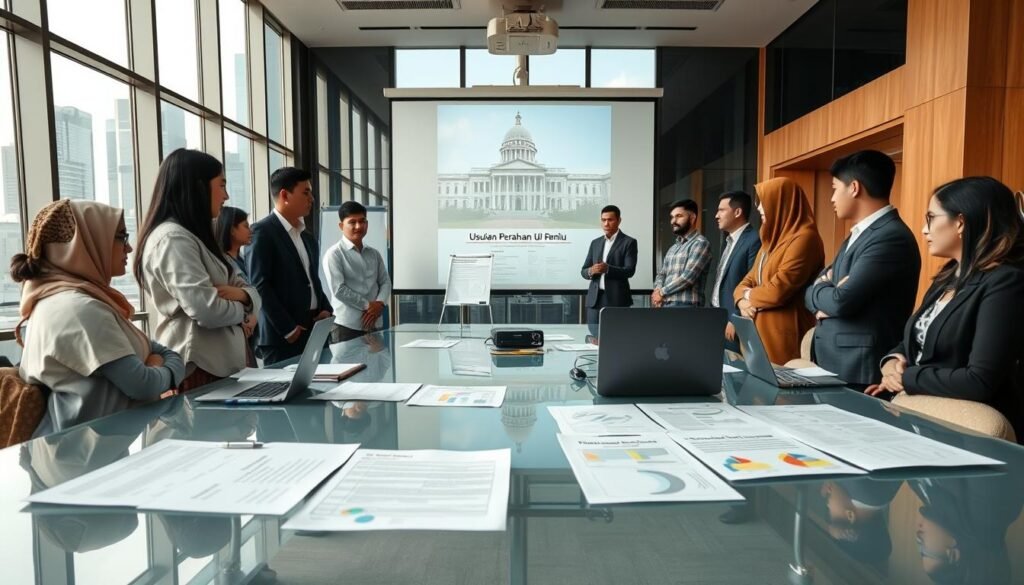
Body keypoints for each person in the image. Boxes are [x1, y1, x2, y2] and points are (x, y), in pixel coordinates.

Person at [869, 177, 1024, 438]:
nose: (923, 230)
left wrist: (907, 379)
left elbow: (979, 381)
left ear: (960, 222)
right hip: (926, 422)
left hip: (973, 437)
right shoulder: (948, 275)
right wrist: (893, 362)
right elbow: (918, 339)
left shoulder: (1006, 282)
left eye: (930, 218)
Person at [13, 199, 185, 435]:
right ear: (83, 244)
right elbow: (144, 385)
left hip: (85, 448)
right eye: (121, 237)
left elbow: (164, 354)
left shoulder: (66, 299)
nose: (130, 248)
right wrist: (164, 369)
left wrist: (158, 366)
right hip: (84, 456)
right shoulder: (79, 309)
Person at [135, 149, 261, 391]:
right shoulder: (173, 239)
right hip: (199, 369)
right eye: (221, 186)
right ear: (198, 187)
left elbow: (247, 287)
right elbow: (206, 310)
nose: (226, 196)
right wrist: (244, 307)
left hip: (220, 366)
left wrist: (244, 295)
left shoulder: (198, 237)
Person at [805, 151, 921, 389]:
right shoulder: (858, 234)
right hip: (838, 363)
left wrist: (826, 292)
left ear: (854, 188)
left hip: (859, 368)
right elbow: (813, 290)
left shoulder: (889, 237)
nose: (832, 198)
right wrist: (824, 291)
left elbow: (840, 301)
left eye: (835, 188)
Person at [245, 167, 332, 363]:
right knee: (284, 393)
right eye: (306, 192)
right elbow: (259, 285)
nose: (312, 198)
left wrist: (325, 309)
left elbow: (312, 280)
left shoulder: (307, 237)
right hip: (283, 337)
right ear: (285, 195)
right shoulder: (262, 232)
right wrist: (288, 328)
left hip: (314, 331)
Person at [735, 177, 824, 364]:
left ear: (782, 203)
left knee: (783, 393)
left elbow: (777, 291)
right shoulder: (770, 241)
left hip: (784, 339)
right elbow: (745, 281)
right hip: (759, 336)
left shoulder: (805, 239)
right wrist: (742, 301)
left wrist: (748, 295)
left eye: (764, 202)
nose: (759, 208)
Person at [321, 201, 391, 343]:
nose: (358, 226)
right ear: (341, 226)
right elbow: (339, 289)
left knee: (376, 364)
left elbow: (385, 282)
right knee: (347, 366)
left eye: (362, 221)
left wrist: (379, 303)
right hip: (346, 327)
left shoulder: (374, 254)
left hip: (374, 324)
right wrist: (368, 306)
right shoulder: (334, 254)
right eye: (352, 222)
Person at [710, 191, 761, 351]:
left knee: (735, 368)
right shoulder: (729, 241)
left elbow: (752, 282)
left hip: (733, 320)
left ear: (738, 212)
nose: (716, 215)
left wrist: (735, 318)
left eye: (721, 210)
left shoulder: (754, 240)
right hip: (718, 317)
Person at [581, 204, 638, 325]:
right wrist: (591, 270)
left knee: (618, 338)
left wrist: (608, 269)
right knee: (594, 337)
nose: (606, 223)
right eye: (603, 220)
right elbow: (583, 270)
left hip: (617, 299)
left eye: (610, 220)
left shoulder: (629, 242)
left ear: (619, 220)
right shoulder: (595, 243)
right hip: (594, 300)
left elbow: (630, 270)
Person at [652, 199, 712, 308]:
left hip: (687, 306)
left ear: (692, 218)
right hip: (666, 304)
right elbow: (661, 274)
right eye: (672, 217)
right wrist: (657, 290)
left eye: (679, 216)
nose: (673, 221)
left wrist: (661, 292)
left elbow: (688, 277)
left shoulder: (700, 243)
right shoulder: (673, 248)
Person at [215, 206, 251, 278]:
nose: (250, 231)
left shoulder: (240, 258)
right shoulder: (223, 263)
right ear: (232, 230)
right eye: (246, 226)